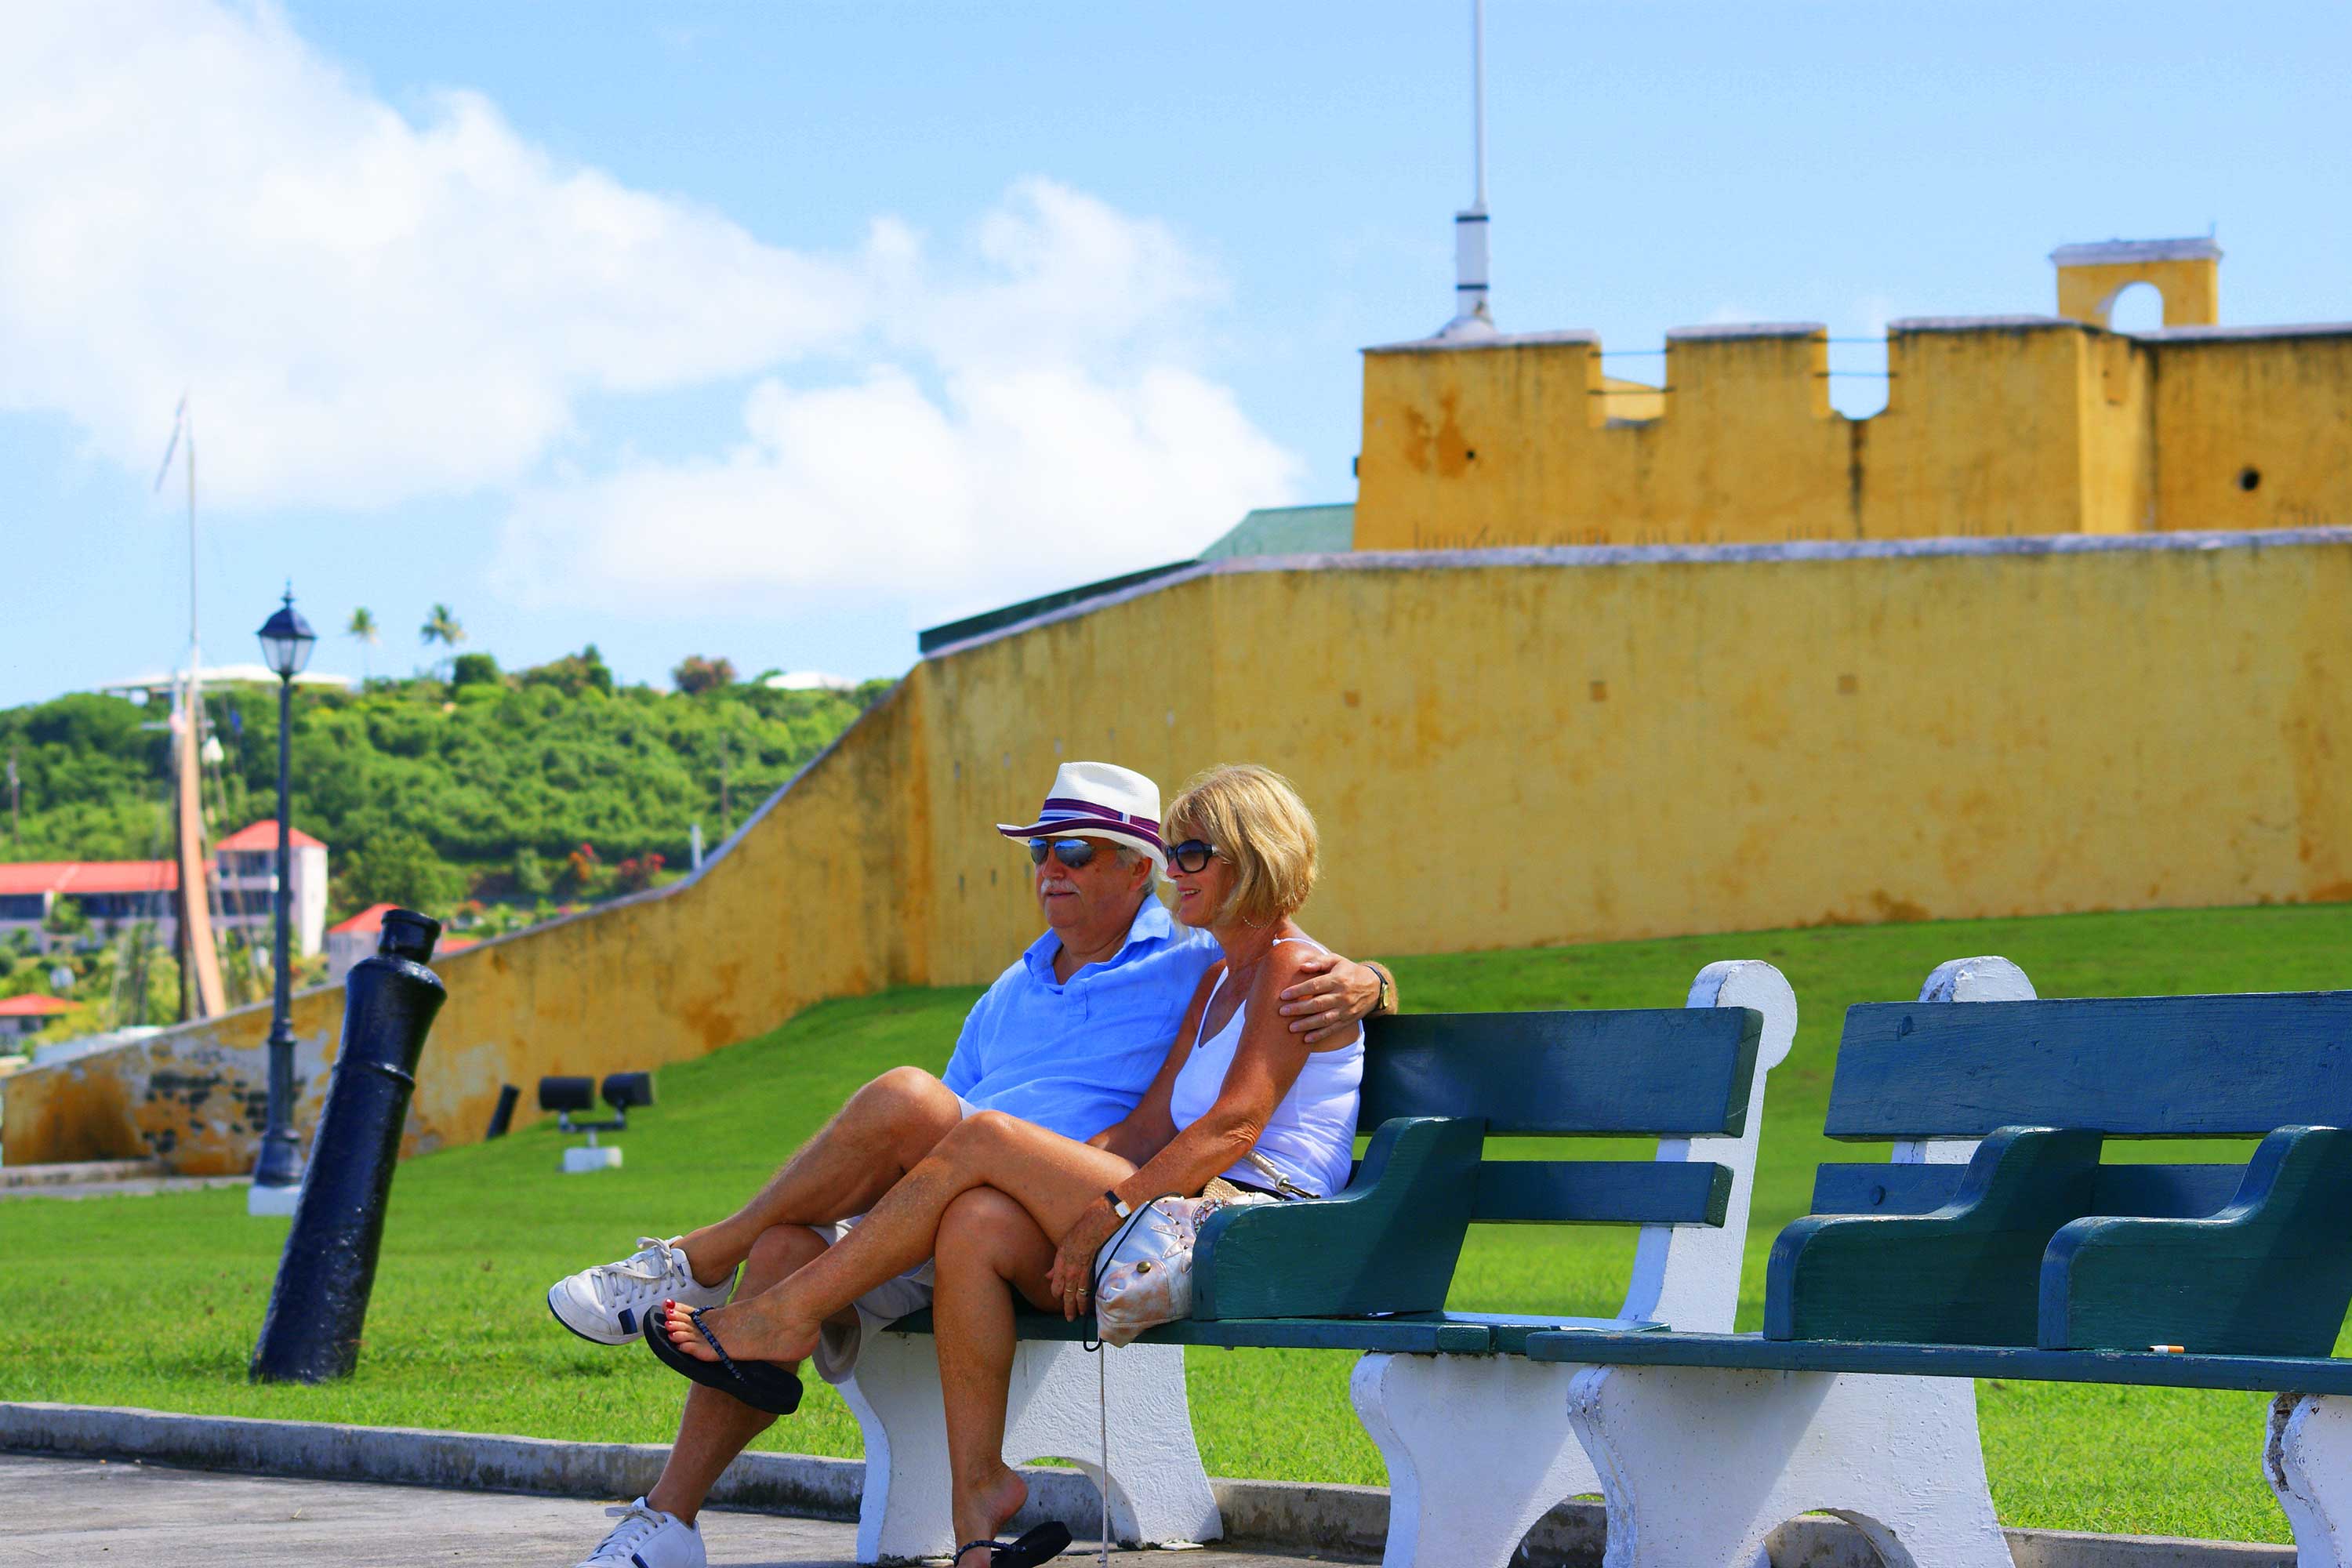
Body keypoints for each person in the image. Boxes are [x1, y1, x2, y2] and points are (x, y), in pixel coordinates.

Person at [550, 760, 1396, 1568]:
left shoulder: (1223, 962)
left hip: (1240, 1218)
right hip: (1094, 1206)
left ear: (1241, 857)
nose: (1049, 869)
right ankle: (935, 1512)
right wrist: (1070, 1189)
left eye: (1185, 853)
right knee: (916, 1216)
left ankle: (749, 1294)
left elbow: (1234, 1123)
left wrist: (1372, 979)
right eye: (1040, 850)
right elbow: (1144, 1126)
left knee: (973, 1136)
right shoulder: (1169, 980)